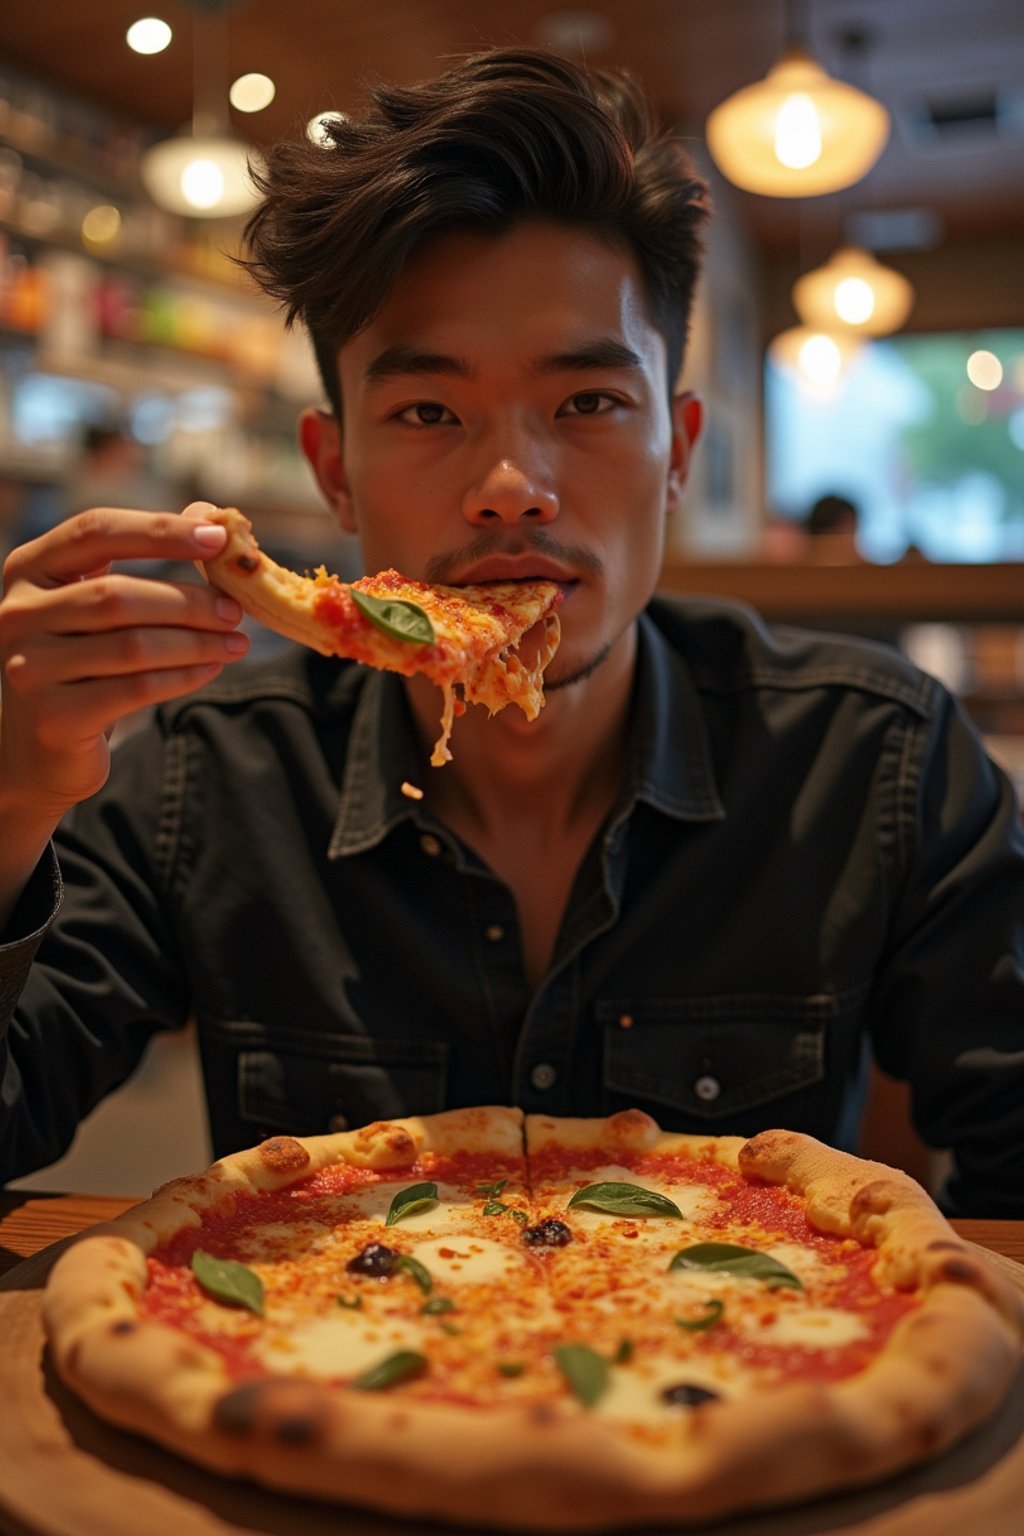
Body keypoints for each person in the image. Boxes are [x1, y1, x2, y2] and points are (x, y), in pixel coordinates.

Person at [0, 50, 1021, 1215]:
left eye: (587, 402)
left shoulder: (876, 761)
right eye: (428, 410)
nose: (511, 487)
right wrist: (12, 801)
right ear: (334, 474)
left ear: (678, 452)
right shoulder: (203, 775)